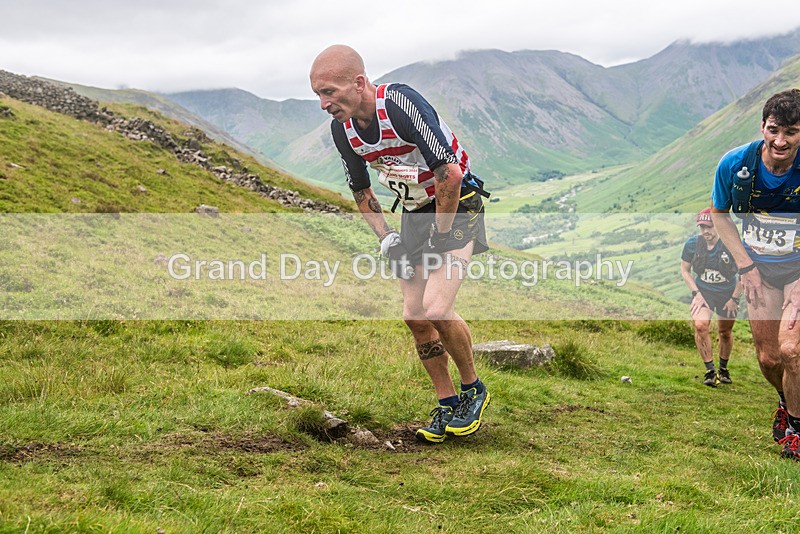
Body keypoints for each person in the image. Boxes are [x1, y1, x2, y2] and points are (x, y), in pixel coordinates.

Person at [309, 45, 491, 443]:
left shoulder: (400, 104)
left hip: (457, 205)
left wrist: (441, 236)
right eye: (318, 95)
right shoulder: (343, 130)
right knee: (414, 316)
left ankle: (472, 390)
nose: (324, 104)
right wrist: (387, 237)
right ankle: (446, 403)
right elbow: (361, 191)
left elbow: (450, 174)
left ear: (358, 83)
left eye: (329, 92)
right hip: (414, 213)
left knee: (438, 307)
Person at [710, 88, 800, 460]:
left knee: (791, 349)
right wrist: (745, 266)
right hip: (759, 271)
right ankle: (786, 400)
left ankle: (796, 429)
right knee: (769, 359)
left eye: (791, 132)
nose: (781, 140)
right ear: (763, 126)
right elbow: (719, 213)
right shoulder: (735, 165)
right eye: (775, 129)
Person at [680, 208, 741, 387]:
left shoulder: (731, 244)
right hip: (704, 292)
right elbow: (685, 270)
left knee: (725, 332)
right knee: (700, 325)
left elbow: (745, 272)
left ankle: (723, 368)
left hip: (727, 293)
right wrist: (696, 293)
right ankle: (710, 370)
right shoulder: (693, 244)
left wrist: (735, 298)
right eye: (702, 227)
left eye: (709, 227)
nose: (705, 231)